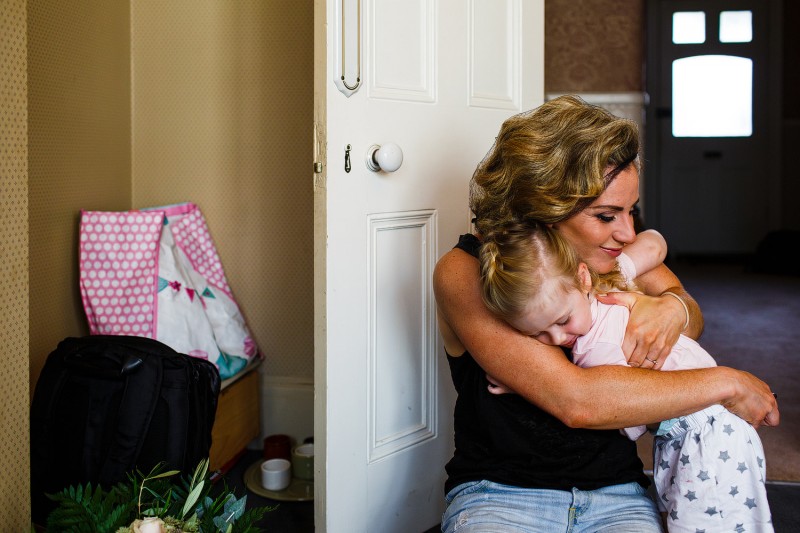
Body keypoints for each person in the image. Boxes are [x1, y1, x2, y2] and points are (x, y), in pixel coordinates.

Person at [432, 95, 779, 532]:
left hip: (618, 493)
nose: (628, 231)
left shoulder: (605, 256)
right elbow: (577, 401)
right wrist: (727, 381)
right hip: (501, 493)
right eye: (606, 215)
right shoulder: (473, 272)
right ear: (544, 208)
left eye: (630, 211)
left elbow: (690, 313)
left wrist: (670, 308)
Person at [480, 223, 774, 531]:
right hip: (708, 423)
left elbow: (625, 421)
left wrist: (527, 384)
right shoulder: (608, 282)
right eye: (538, 333)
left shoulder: (595, 350)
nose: (557, 337)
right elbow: (654, 243)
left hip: (703, 436)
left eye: (563, 320)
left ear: (582, 278)